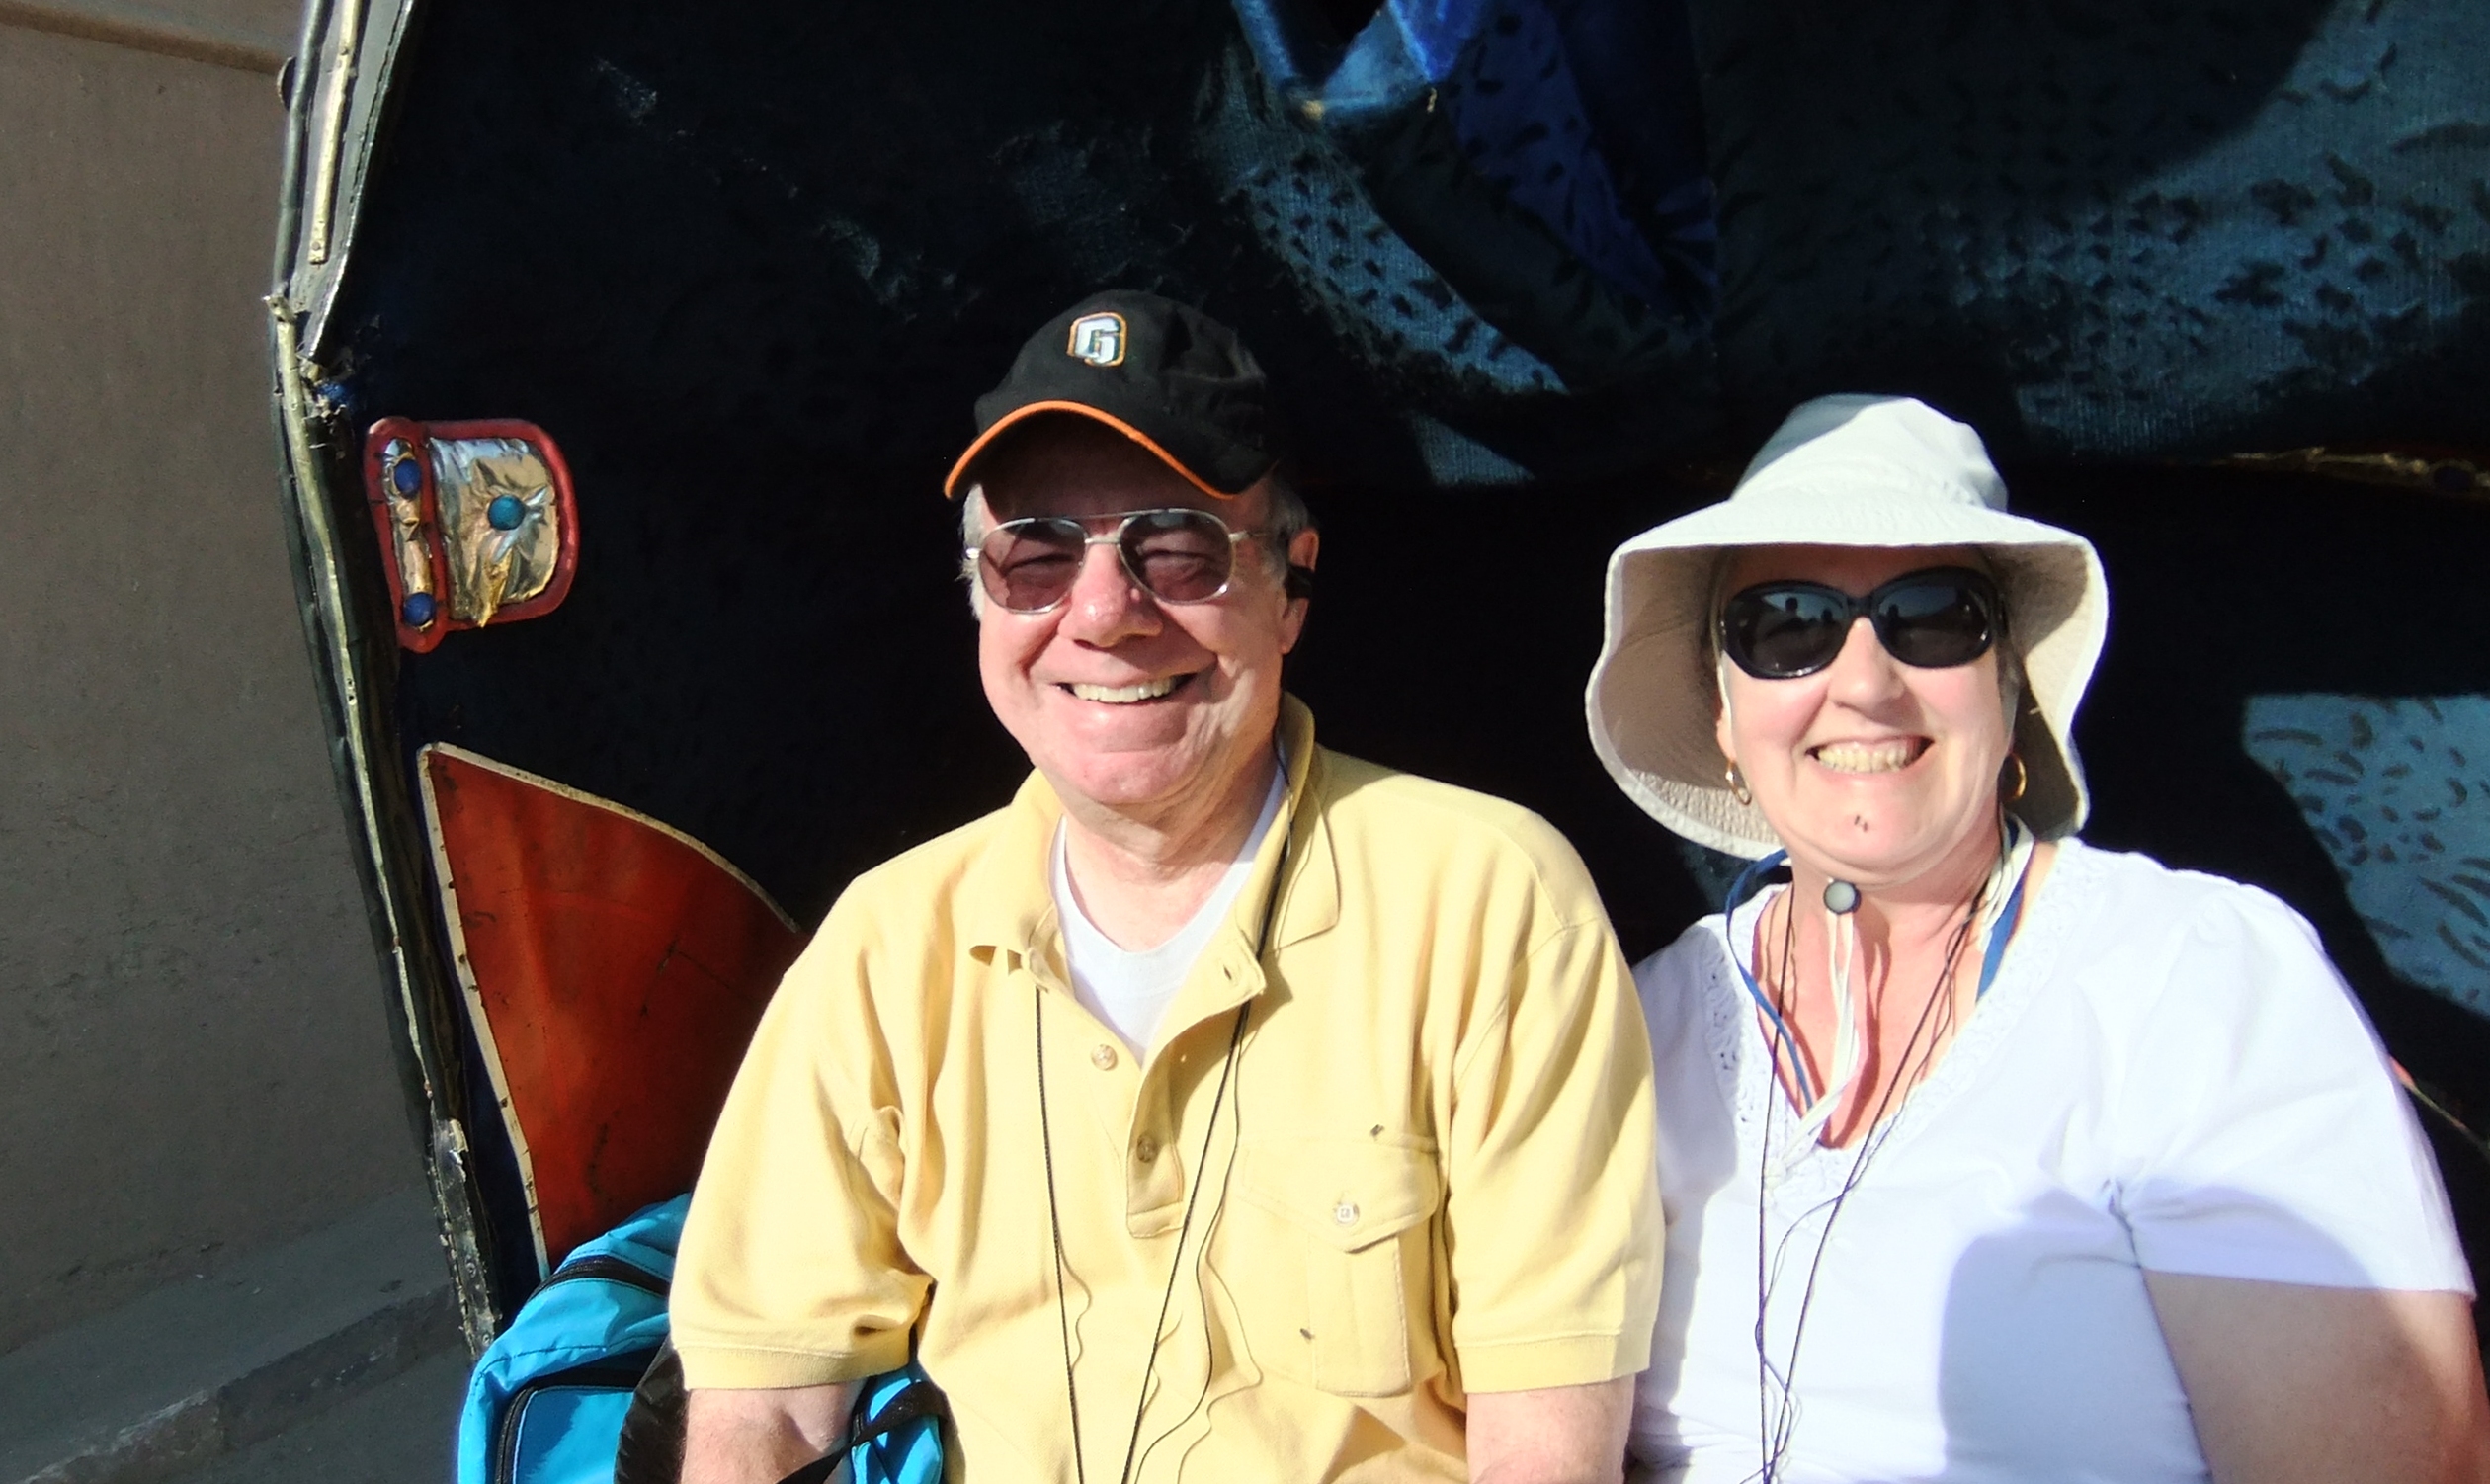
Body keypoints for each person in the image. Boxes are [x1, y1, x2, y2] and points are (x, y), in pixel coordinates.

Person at [671, 290, 1663, 1483]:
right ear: (978, 596)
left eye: (1178, 548)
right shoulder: (883, 948)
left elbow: (1546, 1449)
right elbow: (766, 1414)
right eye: (1037, 556)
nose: (1104, 613)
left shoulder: (1492, 903)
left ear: (1291, 587)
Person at [1583, 394, 2490, 1484]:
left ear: (2008, 688)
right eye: (1787, 624)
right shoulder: (1636, 1023)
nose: (1865, 683)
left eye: (1933, 617)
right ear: (1725, 715)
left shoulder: (2197, 977)